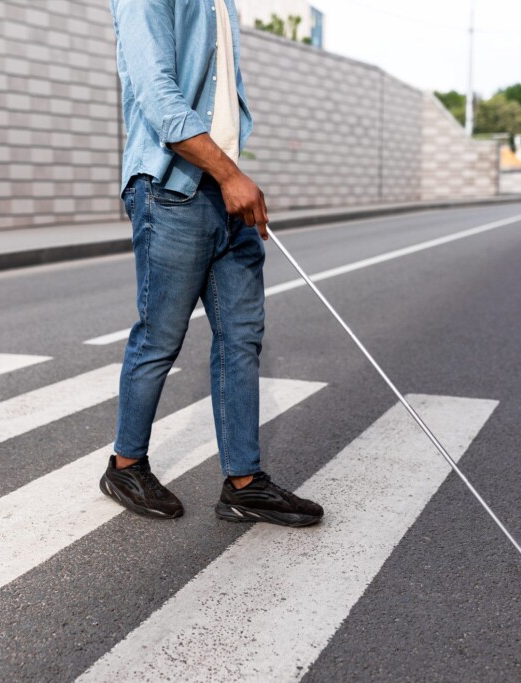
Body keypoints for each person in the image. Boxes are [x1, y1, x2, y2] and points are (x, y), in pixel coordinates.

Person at [100, 0, 323, 527]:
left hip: (221, 189)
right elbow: (157, 95)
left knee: (241, 337)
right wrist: (230, 175)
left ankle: (244, 484)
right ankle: (125, 466)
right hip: (171, 189)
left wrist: (228, 177)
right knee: (160, 337)